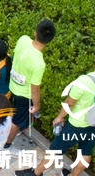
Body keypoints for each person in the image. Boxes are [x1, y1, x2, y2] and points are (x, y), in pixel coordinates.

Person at [15, 43, 95, 176]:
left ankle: (36, 173)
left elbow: (69, 103)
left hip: (77, 125)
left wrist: (59, 117)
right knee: (85, 151)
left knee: (56, 150)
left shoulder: (84, 81)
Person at [3, 19, 56, 152]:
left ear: (35, 32)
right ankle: (6, 145)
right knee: (17, 120)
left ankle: (11, 129)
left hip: (13, 85)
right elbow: (35, 89)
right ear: (52, 39)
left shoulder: (23, 39)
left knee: (15, 111)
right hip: (24, 95)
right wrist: (37, 106)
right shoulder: (39, 63)